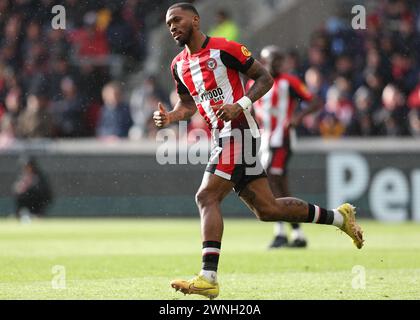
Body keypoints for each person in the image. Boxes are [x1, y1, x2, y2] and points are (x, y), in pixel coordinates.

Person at [154, 2, 364, 300]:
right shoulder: (179, 65)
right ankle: (340, 218)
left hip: (241, 131)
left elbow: (265, 78)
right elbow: (187, 105)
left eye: (177, 19)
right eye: (168, 23)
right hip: (222, 136)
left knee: (206, 196)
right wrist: (171, 117)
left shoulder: (225, 49)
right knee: (269, 210)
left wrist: (239, 104)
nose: (172, 26)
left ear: (196, 20)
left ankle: (208, 277)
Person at [251, 45, 322, 249]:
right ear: (263, 62)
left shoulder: (289, 82)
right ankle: (297, 234)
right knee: (279, 185)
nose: (276, 64)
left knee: (270, 179)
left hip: (282, 139)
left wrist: (298, 116)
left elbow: (315, 101)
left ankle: (281, 232)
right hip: (265, 140)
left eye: (278, 60)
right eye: (272, 60)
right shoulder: (255, 83)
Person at [12, 156, 53, 222]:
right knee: (21, 196)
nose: (26, 168)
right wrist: (21, 187)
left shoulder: (40, 176)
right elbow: (17, 189)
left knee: (33, 194)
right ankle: (22, 214)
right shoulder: (23, 175)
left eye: (28, 166)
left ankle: (37, 214)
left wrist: (31, 185)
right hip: (27, 200)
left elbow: (46, 192)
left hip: (39, 199)